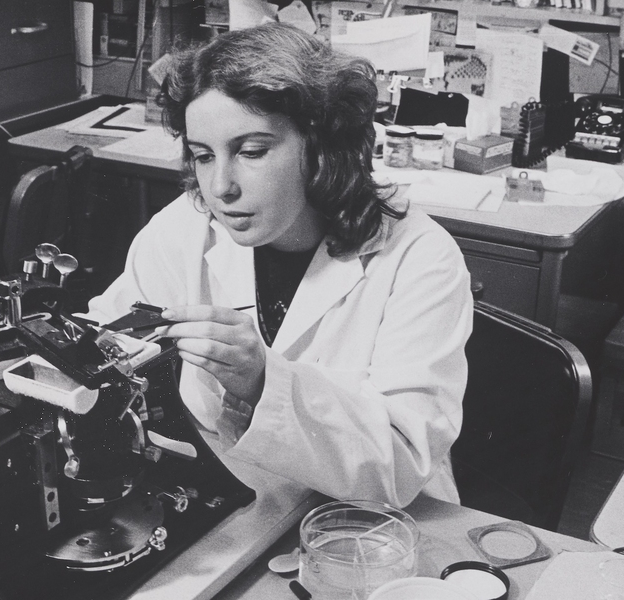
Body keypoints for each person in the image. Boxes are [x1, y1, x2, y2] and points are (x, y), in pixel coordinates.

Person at [82, 22, 474, 507]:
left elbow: (402, 462)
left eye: (252, 151)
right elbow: (107, 335)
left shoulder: (420, 256)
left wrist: (263, 381)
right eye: (203, 156)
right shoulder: (185, 225)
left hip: (372, 520)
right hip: (241, 497)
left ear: (322, 146)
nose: (221, 187)